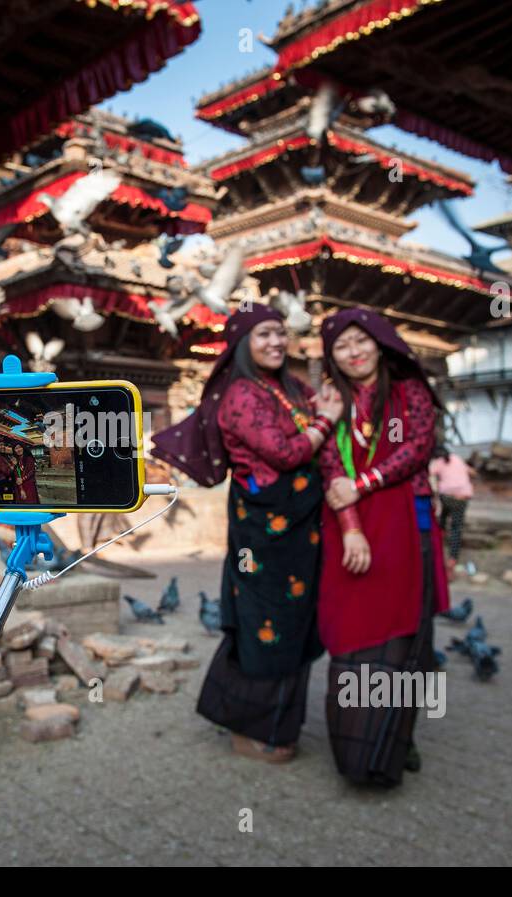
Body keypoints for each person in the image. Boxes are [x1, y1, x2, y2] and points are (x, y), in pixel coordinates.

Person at [152, 304, 342, 763]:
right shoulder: (240, 395)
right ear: (241, 344)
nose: (276, 342)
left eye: (281, 333)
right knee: (265, 628)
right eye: (263, 335)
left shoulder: (291, 387)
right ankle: (248, 727)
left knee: (295, 625)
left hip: (302, 529)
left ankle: (277, 725)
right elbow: (285, 452)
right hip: (265, 533)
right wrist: (325, 421)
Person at [316, 309, 450, 787]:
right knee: (356, 627)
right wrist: (351, 524)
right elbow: (330, 464)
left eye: (360, 341)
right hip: (351, 527)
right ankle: (363, 736)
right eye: (340, 347)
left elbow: (415, 448)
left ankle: (399, 734)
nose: (353, 353)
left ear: (378, 341)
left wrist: (365, 481)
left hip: (407, 525)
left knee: (410, 635)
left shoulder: (408, 390)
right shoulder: (331, 400)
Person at [429, 445, 477, 571]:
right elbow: (472, 472)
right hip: (462, 496)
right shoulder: (457, 458)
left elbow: (428, 474)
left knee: (442, 518)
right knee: (457, 527)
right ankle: (453, 558)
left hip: (447, 496)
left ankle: (439, 540)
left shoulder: (438, 463)